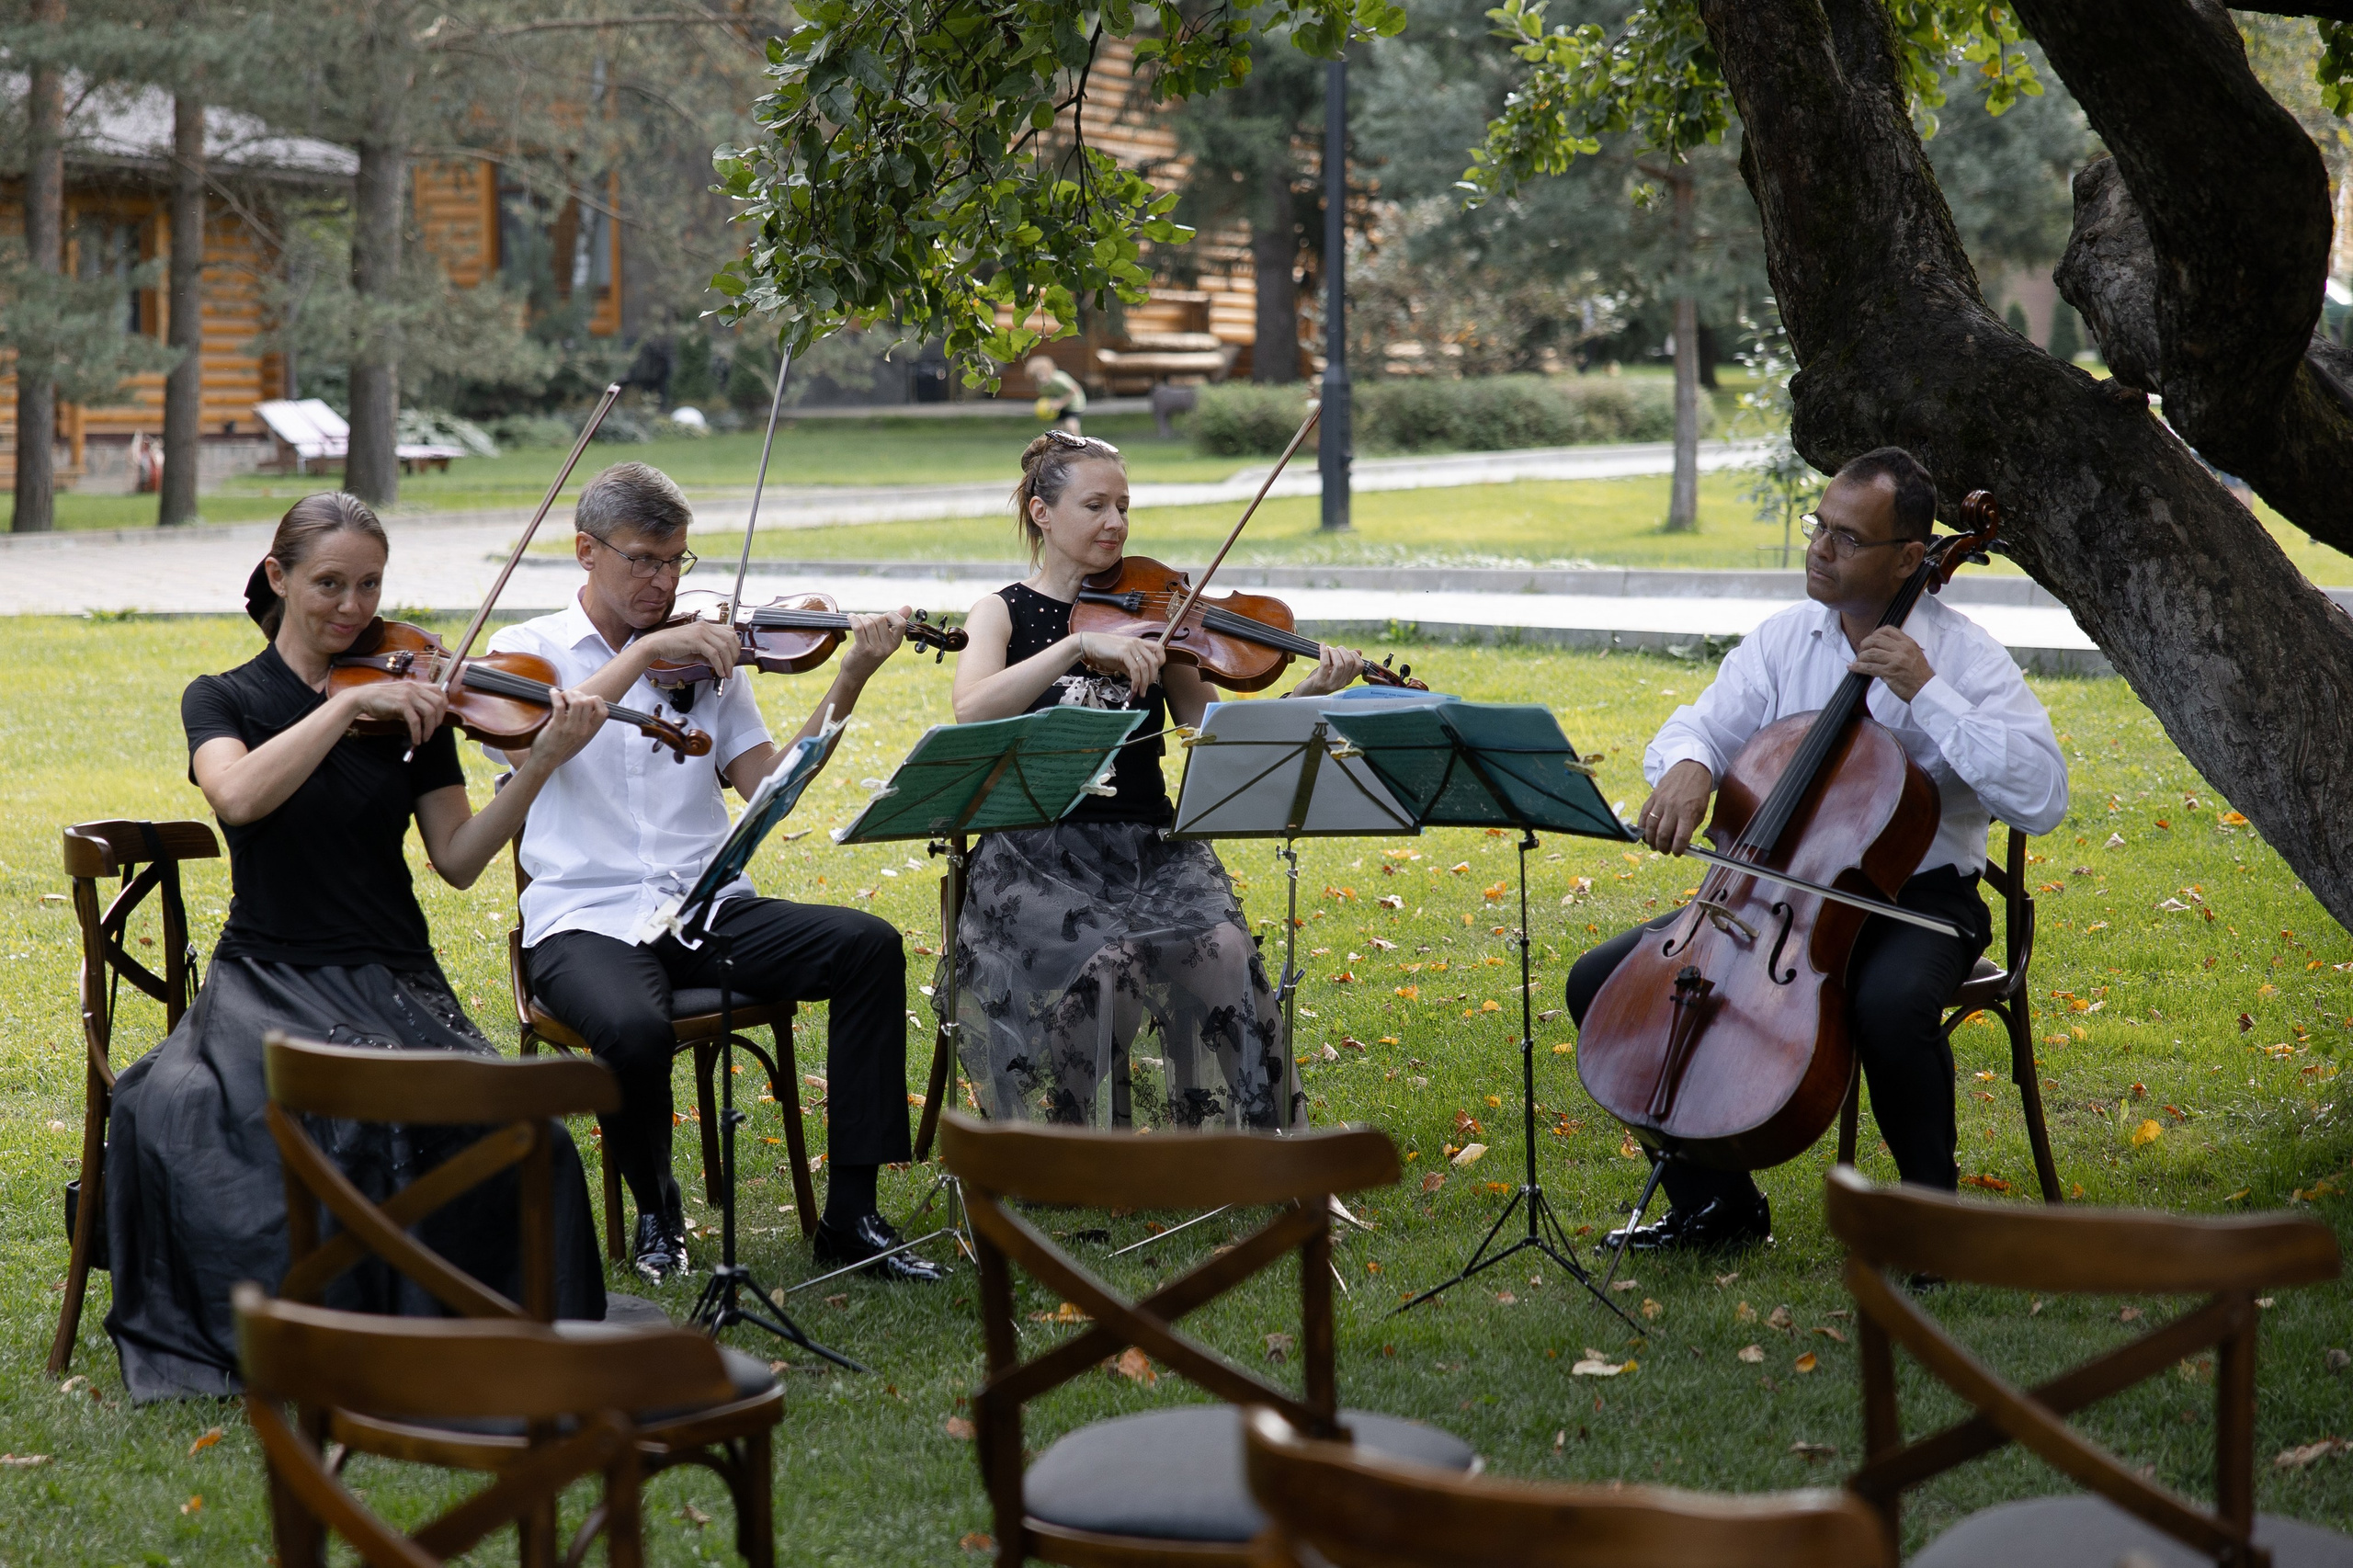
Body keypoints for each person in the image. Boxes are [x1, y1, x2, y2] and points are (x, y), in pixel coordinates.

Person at [105, 494, 610, 1403]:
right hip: (265, 974)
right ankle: (306, 1338)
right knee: (195, 1117)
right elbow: (239, 798)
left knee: (520, 1134)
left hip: (392, 976)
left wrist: (541, 762)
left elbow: (456, 858)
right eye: (329, 582)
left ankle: (486, 1335)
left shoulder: (416, 699)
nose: (352, 605)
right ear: (278, 577)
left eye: (369, 583)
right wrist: (344, 709)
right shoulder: (224, 696)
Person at [1563, 448, 2069, 1254]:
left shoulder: (1964, 656)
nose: (1820, 549)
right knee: (1603, 982)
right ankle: (1717, 1207)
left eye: (1846, 537)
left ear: (1911, 556)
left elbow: (2042, 796)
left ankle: (1931, 1221)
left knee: (1889, 1006)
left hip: (1916, 900)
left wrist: (1927, 692)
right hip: (1768, 895)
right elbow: (1699, 723)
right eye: (1818, 527)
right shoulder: (1783, 639)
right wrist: (1691, 767)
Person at [489, 461, 942, 1286]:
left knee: (868, 945)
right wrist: (644, 654)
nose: (664, 584)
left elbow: (772, 786)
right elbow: (527, 744)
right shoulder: (527, 652)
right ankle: (661, 1211)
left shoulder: (712, 658)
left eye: (676, 563)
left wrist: (848, 680)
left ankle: (852, 1216)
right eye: (644, 561)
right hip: (584, 919)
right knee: (631, 1028)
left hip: (706, 909)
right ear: (586, 551)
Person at [945, 430, 1366, 1130]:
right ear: (1042, 513)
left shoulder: (1159, 615)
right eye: (1095, 506)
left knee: (1225, 947)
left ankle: (1256, 1144)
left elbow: (1215, 734)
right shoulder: (1003, 612)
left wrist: (1312, 692)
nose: (1115, 523)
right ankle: (1074, 1140)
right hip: (1037, 854)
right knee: (1108, 960)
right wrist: (1077, 647)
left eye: (1124, 507)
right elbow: (970, 708)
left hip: (1148, 847)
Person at [1028, 355, 1086, 435]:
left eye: (1042, 374)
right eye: (1036, 376)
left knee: (1071, 425)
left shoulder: (1058, 379)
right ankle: (1060, 446)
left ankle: (1078, 444)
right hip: (1060, 406)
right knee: (1057, 430)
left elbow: (1075, 389)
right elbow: (1047, 398)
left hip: (1074, 404)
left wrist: (1060, 403)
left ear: (1049, 370)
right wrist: (1043, 412)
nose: (1040, 378)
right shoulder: (1041, 386)